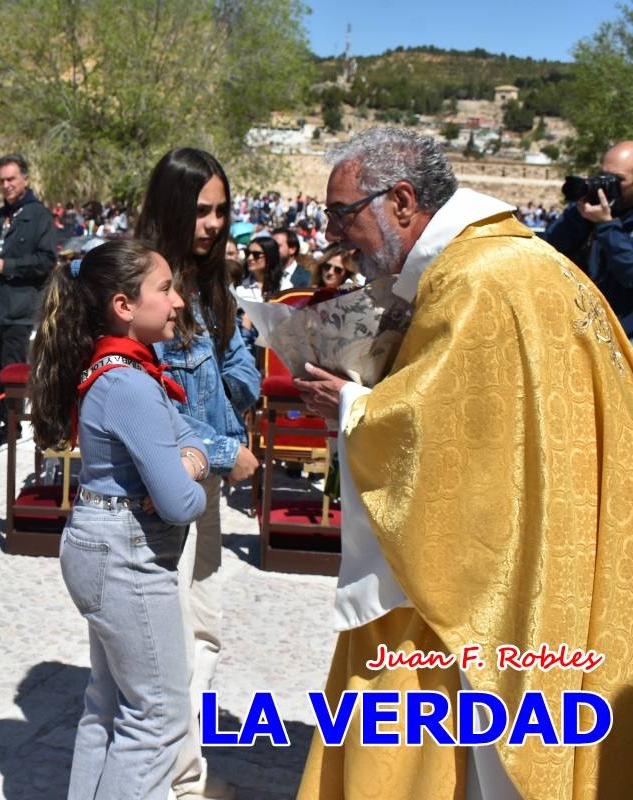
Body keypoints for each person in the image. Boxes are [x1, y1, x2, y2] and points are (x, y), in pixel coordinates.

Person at [293, 126, 633, 799]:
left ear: (401, 201)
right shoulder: (525, 261)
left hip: (502, 574)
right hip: (566, 533)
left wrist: (351, 405)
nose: (334, 234)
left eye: (342, 214)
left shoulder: (473, 283)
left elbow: (435, 445)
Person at [29, 239, 208, 799]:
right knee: (157, 720)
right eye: (164, 289)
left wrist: (187, 463)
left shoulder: (121, 368)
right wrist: (190, 479)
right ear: (124, 305)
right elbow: (181, 501)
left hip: (101, 541)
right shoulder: (129, 382)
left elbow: (189, 444)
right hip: (128, 553)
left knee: (107, 708)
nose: (177, 301)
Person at [135, 148, 260, 800]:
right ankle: (178, 786)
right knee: (172, 643)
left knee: (203, 631)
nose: (214, 224)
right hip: (159, 494)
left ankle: (182, 774)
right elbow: (149, 407)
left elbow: (245, 373)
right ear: (172, 207)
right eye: (201, 210)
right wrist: (221, 447)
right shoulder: (142, 288)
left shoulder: (212, 285)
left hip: (204, 486)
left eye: (222, 210)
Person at [0, 154, 57, 451]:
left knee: (12, 368)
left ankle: (12, 424)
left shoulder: (39, 217)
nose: (6, 185)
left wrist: (7, 266)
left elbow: (46, 261)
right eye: (2, 181)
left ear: (25, 180)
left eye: (11, 179)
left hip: (18, 306)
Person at [542, 140, 633, 338]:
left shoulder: (606, 222)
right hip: (586, 328)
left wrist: (607, 226)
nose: (606, 186)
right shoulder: (591, 213)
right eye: (603, 175)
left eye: (617, 179)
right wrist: (578, 213)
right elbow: (547, 249)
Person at [233, 236, 283, 308]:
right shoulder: (239, 286)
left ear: (270, 256)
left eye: (256, 254)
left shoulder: (284, 285)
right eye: (247, 253)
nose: (250, 258)